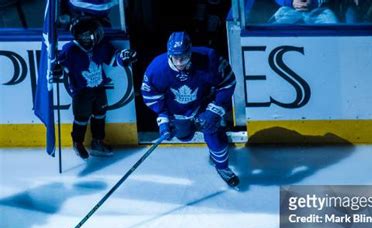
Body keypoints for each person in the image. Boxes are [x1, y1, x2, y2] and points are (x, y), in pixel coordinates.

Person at [141, 31, 239, 187]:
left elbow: (228, 83)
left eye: (184, 57)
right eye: (175, 58)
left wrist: (214, 110)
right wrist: (164, 122)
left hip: (204, 104)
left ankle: (223, 167)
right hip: (178, 111)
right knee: (184, 136)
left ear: (190, 52)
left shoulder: (209, 58)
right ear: (169, 54)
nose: (179, 63)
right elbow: (152, 97)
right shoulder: (156, 69)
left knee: (214, 135)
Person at [54, 16, 137, 159]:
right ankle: (78, 142)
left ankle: (97, 142)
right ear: (85, 36)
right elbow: (60, 65)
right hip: (81, 92)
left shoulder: (100, 45)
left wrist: (124, 57)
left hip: (99, 87)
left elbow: (113, 58)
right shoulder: (70, 50)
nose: (98, 33)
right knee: (81, 117)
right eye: (93, 31)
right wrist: (56, 69)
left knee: (100, 114)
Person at [270, 0, 339, 24]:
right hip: (288, 9)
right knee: (271, 31)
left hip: (319, 10)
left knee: (335, 30)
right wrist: (291, 2)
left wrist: (313, 2)